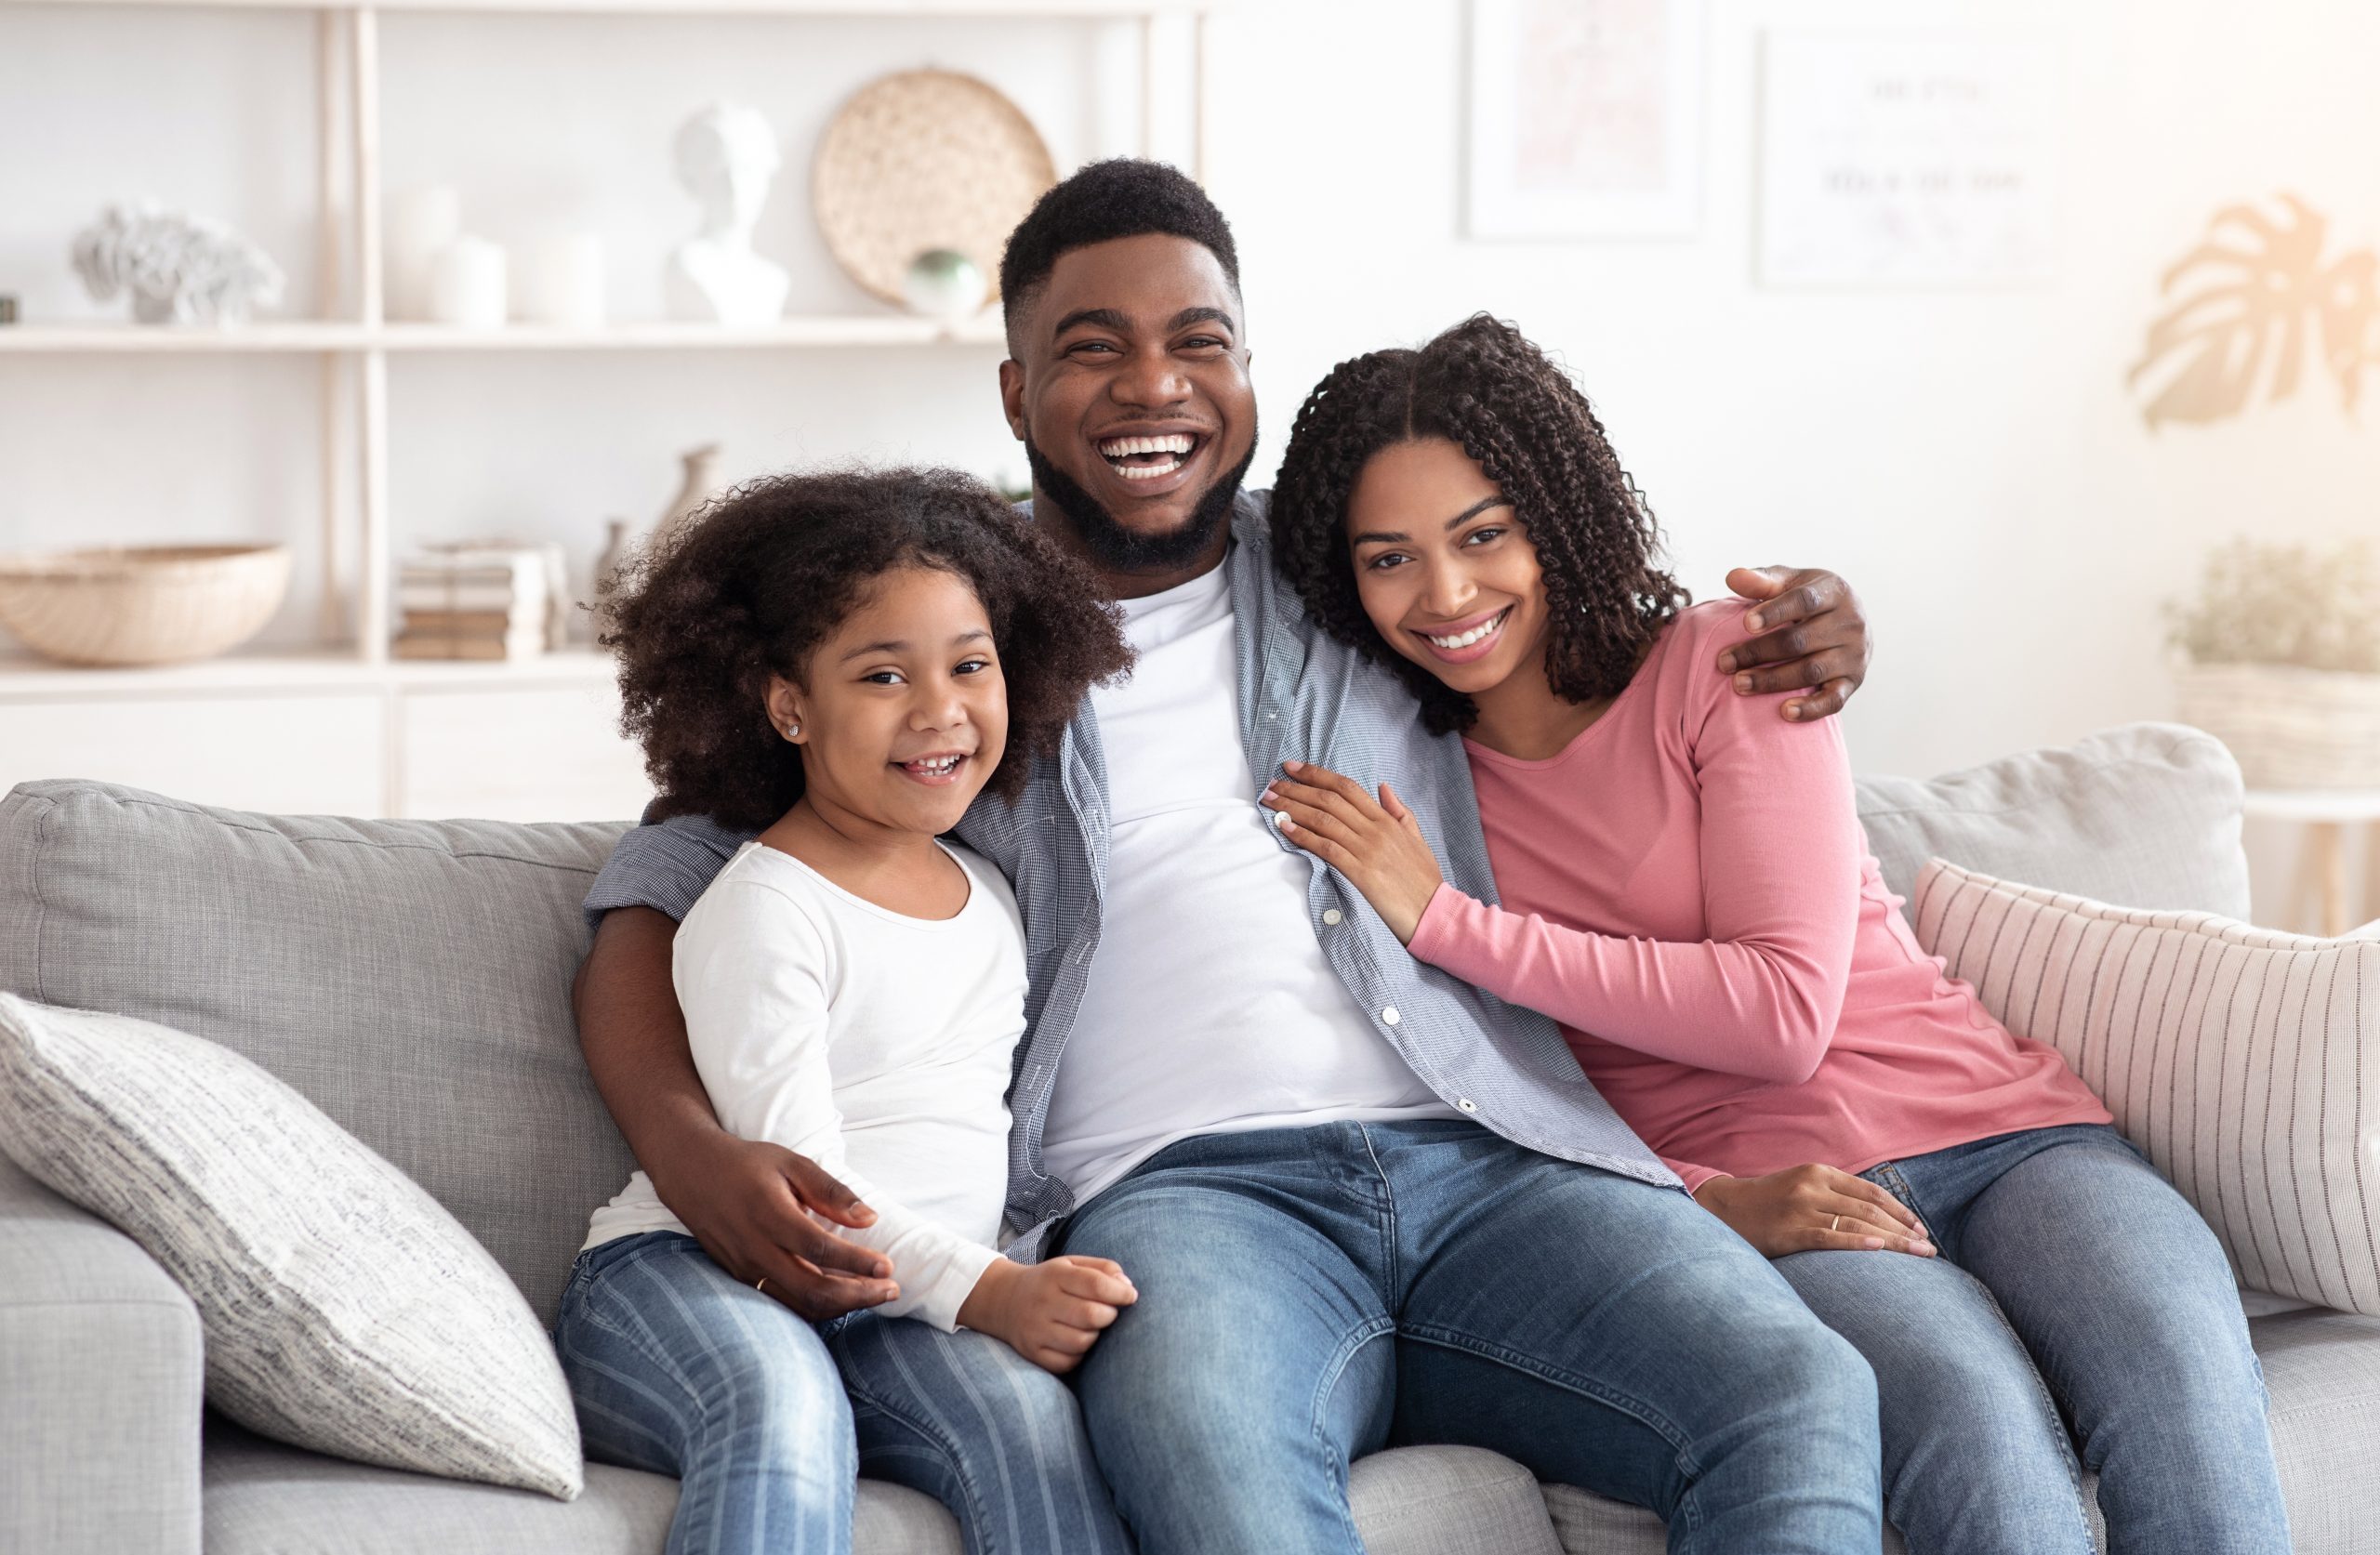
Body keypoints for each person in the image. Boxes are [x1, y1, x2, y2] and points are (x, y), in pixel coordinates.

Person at [575, 160, 1889, 1554]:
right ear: (1017, 395)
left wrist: (1801, 625)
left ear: (1249, 377)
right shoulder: (941, 639)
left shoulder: (1363, 573)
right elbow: (657, 896)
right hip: (1182, 1200)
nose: (1156, 387)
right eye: (1095, 351)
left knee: (1796, 1388)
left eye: (1199, 345)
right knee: (1220, 1477)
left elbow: (1583, 635)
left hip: (1491, 1158)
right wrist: (694, 1150)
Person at [1257, 312, 2292, 1555]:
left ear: (1557, 510)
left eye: (1484, 534)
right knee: (1976, 1431)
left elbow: (1781, 1012)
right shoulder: (1406, 785)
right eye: (1390, 559)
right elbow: (1494, 1093)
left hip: (2011, 1136)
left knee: (2182, 1384)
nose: (1447, 593)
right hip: (1782, 1198)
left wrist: (1450, 924)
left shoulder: (1728, 663)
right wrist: (1710, 1203)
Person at [554, 469, 1139, 1555]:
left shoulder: (999, 896)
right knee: (781, 1410)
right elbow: (804, 1203)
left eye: (971, 664)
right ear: (788, 705)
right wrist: (993, 1289)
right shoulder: (766, 905)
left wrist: (995, 1280)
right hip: (688, 1273)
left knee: (1028, 1431)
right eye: (881, 674)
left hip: (892, 1299)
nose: (939, 709)